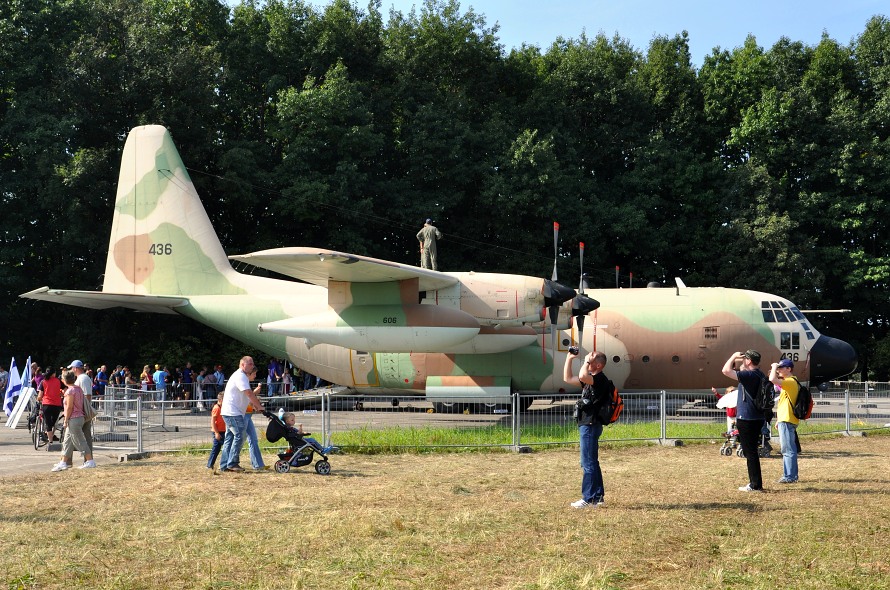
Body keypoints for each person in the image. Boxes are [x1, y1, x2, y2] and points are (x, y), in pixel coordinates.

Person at [563, 349, 610, 508]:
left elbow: (583, 376)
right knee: (592, 462)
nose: (587, 361)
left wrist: (585, 362)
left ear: (598, 365)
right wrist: (569, 358)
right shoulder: (592, 381)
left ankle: (588, 498)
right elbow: (568, 378)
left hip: (590, 425)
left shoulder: (600, 379)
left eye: (591, 360)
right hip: (588, 424)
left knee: (587, 463)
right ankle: (598, 497)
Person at [722, 350, 768, 492]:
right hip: (757, 417)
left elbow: (725, 371)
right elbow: (739, 370)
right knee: (752, 451)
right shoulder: (759, 374)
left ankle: (755, 484)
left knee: (750, 453)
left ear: (748, 361)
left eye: (745, 359)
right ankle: (756, 483)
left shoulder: (749, 375)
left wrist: (733, 356)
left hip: (747, 418)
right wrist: (740, 362)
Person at [218, 356, 264, 473]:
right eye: (250, 364)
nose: (252, 366)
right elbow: (249, 393)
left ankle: (224, 465)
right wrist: (259, 406)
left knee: (230, 438)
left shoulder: (241, 376)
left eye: (252, 364)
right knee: (240, 435)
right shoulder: (241, 376)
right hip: (233, 413)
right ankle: (232, 463)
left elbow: (245, 396)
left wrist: (254, 406)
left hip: (232, 412)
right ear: (242, 365)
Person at [51, 370, 96, 471]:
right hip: (79, 417)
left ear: (64, 380)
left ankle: (90, 461)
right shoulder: (78, 389)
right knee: (67, 441)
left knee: (79, 440)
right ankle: (63, 462)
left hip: (73, 418)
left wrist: (66, 420)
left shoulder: (69, 391)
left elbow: (69, 407)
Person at [769, 358, 800, 483]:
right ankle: (792, 475)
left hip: (787, 419)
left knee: (787, 449)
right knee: (789, 448)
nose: (779, 370)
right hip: (786, 418)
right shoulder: (791, 382)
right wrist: (778, 419)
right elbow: (784, 403)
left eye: (782, 367)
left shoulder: (790, 381)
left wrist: (773, 366)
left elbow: (771, 379)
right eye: (779, 368)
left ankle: (789, 476)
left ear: (789, 369)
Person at [69, 360, 94, 455]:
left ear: (75, 368)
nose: (71, 370)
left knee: (85, 435)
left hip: (83, 412)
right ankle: (88, 458)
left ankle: (88, 458)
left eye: (72, 368)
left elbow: (87, 395)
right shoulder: (81, 378)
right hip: (82, 411)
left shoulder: (83, 378)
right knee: (84, 435)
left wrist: (84, 410)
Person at [36, 367, 64, 444]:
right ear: (53, 373)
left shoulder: (43, 381)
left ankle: (50, 441)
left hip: (46, 404)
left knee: (48, 423)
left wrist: (38, 399)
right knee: (53, 423)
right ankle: (51, 434)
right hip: (56, 404)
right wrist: (61, 394)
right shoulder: (58, 381)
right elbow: (65, 389)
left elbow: (40, 395)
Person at [207, 392, 226, 470]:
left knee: (218, 448)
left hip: (223, 430)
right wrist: (216, 433)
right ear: (221, 400)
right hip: (218, 431)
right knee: (216, 449)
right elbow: (213, 421)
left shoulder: (222, 407)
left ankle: (210, 464)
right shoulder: (216, 408)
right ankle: (210, 465)